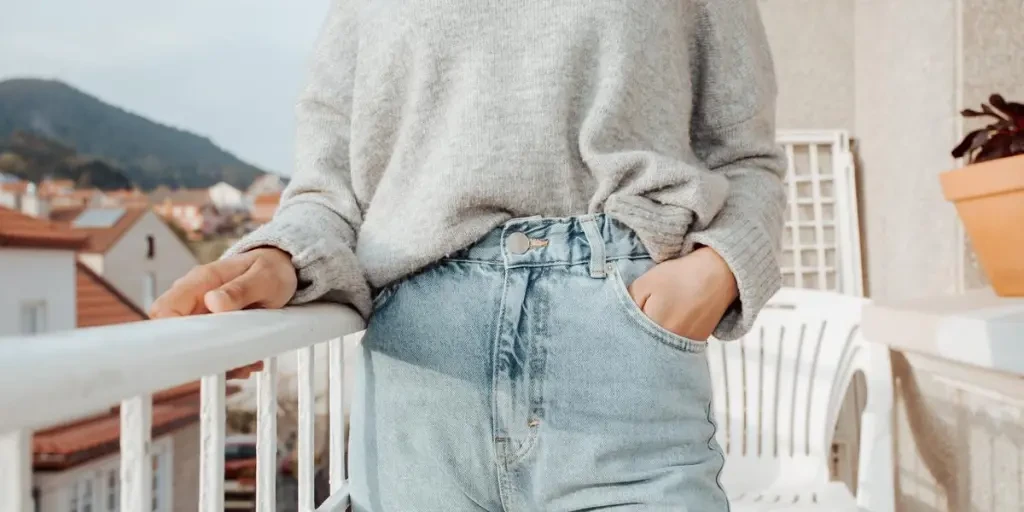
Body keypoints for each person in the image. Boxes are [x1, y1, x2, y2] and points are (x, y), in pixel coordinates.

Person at [151, 1, 787, 510]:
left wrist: (720, 266)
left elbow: (747, 157)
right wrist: (283, 256)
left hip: (622, 362)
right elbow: (330, 188)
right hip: (420, 388)